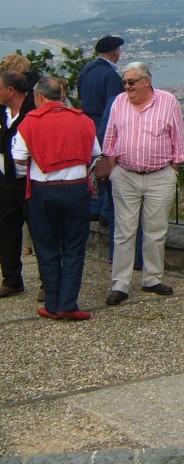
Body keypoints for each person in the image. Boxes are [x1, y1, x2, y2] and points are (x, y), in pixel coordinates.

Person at [13, 77, 100, 319]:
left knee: (47, 247)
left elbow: (18, 157)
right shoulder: (82, 120)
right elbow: (95, 152)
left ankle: (52, 303)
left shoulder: (31, 121)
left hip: (44, 190)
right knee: (74, 247)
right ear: (61, 96)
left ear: (39, 97)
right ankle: (68, 303)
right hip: (76, 189)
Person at [102, 63, 184, 305]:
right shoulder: (119, 102)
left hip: (159, 175)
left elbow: (178, 138)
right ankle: (120, 284)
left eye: (131, 82)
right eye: (124, 82)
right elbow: (110, 137)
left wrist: (174, 168)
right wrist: (113, 168)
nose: (127, 87)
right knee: (124, 232)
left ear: (146, 81)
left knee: (156, 231)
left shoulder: (168, 101)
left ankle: (152, 278)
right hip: (125, 175)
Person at [76, 35, 129, 259]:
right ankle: (106, 211)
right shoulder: (110, 75)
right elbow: (115, 105)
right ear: (115, 52)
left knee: (94, 169)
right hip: (102, 125)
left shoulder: (86, 70)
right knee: (109, 170)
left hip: (87, 124)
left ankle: (94, 207)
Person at [0, 69, 34, 298]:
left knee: (39, 230)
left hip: (29, 180)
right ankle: (11, 279)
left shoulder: (32, 111)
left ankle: (48, 283)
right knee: (6, 230)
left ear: (11, 90)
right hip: (5, 178)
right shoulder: (2, 112)